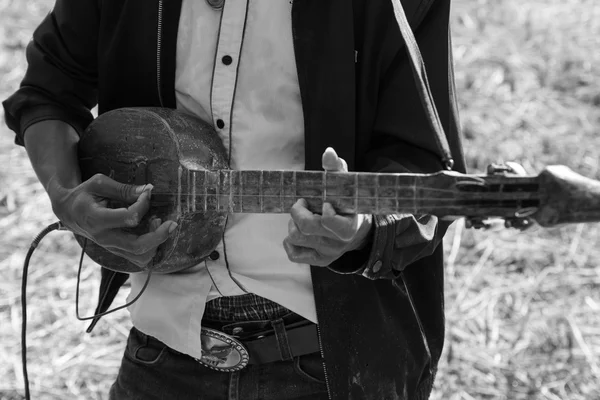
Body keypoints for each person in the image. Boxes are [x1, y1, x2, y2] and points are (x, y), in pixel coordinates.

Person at [3, 0, 465, 398]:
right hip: (161, 352)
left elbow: (425, 169)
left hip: (329, 363)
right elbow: (49, 90)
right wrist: (65, 196)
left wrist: (360, 232)